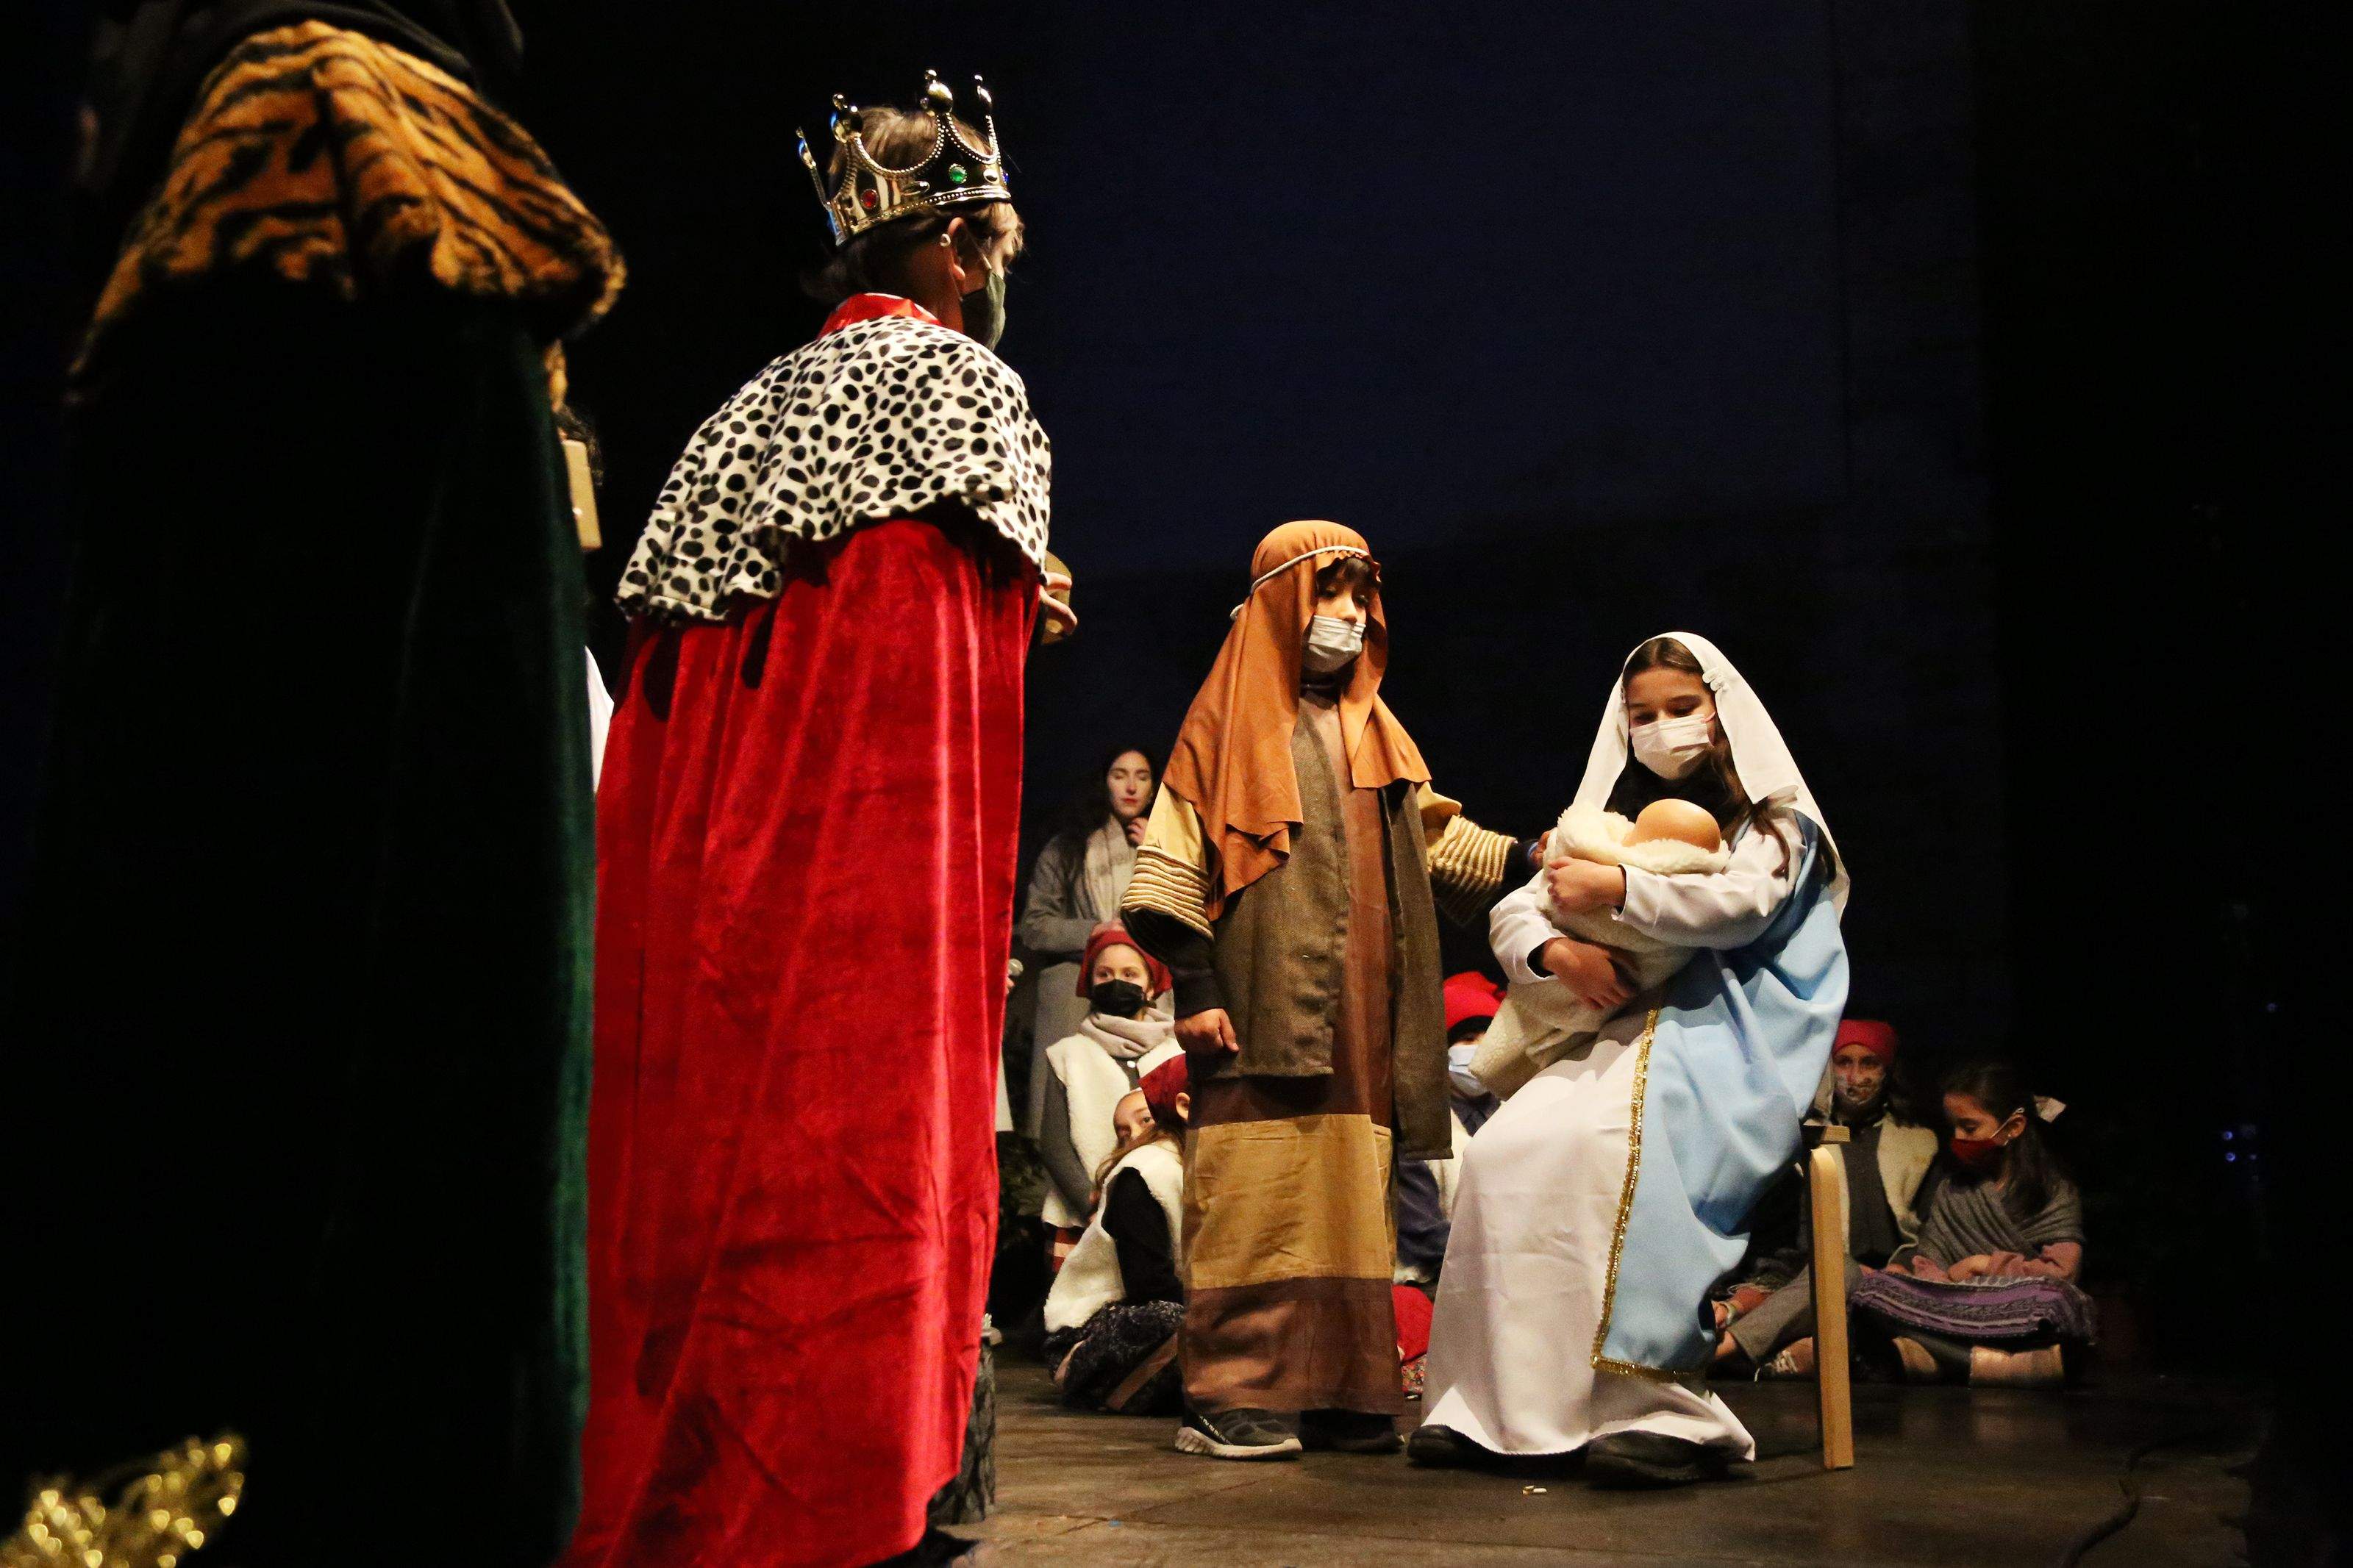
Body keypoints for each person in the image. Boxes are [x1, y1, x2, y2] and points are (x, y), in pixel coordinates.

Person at [8, 7, 621, 1561]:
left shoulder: (303, 156)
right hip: (371, 1239)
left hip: (269, 1246)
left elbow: (237, 816)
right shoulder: (362, 178)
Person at [570, 76, 1058, 1568]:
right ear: (965, 252)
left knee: (710, 1151)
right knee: (850, 1152)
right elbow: (907, 705)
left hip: (705, 893)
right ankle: (848, 1471)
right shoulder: (960, 390)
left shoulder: (739, 413)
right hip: (862, 901)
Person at [1121, 520, 1538, 1462]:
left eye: (1360, 598)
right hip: (1258, 1005)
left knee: (1353, 1204)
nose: (1349, 617)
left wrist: (1527, 855)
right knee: (1257, 1198)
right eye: (1331, 595)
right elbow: (1167, 870)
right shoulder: (1223, 728)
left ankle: (1344, 1390)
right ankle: (1232, 1391)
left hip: (1363, 1017)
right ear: (1280, 603)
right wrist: (1195, 985)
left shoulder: (1373, 729)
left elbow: (1436, 842)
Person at [1413, 633, 1849, 1489]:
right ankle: (1492, 1406)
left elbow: (1738, 908)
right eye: (1640, 715)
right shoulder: (1605, 826)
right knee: (1503, 1154)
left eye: (1681, 709)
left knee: (1608, 1151)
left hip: (1731, 1035)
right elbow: (1517, 909)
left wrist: (1617, 892)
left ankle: (1655, 1409)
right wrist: (1555, 957)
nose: (1660, 729)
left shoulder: (1777, 822)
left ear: (1724, 712)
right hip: (1614, 1029)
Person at [1713, 1017, 1940, 1375]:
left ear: (1887, 1070)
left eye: (1869, 1064)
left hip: (1893, 1279)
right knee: (1832, 1277)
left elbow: (1931, 1229)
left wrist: (1906, 1265)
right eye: (1844, 1063)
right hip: (1822, 1272)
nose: (1856, 1075)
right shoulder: (1809, 1142)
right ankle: (1741, 1350)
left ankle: (1749, 1355)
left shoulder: (1920, 1142)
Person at [1849, 1061, 2092, 1386]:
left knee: (2055, 1301)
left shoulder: (2053, 1190)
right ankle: (1996, 1365)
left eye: (1970, 1127)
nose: (1959, 1137)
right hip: (1952, 1306)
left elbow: (2063, 1273)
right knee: (1876, 1291)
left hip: (2015, 1308)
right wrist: (1918, 1278)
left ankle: (1936, 1357)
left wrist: (1984, 1265)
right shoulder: (1953, 1189)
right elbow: (1931, 1261)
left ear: (2014, 1127)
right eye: (1954, 1128)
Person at [1040, 1048, 1193, 1414]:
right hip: (1092, 1328)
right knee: (1183, 1318)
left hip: (1162, 1309)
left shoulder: (1193, 1164)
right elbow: (1148, 1286)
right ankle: (1090, 1377)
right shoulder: (1144, 1173)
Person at [1018, 747, 1160, 1131]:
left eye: (1142, 776)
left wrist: (1162, 849)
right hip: (1077, 986)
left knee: (1150, 1095)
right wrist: (1095, 931)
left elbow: (1190, 913)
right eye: (1120, 775)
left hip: (1146, 987)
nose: (1131, 786)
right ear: (1103, 782)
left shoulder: (1166, 842)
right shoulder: (1068, 848)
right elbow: (1034, 926)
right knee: (1065, 1100)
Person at [1036, 923, 1176, 1267]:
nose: (1117, 982)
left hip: (1165, 1212)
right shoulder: (1067, 1054)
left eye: (1130, 973)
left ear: (1151, 986)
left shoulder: (1177, 1054)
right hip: (1082, 1217)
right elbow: (1053, 1144)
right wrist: (1091, 1203)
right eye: (1104, 974)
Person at [1396, 973, 1507, 1290]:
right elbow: (1421, 1229)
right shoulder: (1418, 1123)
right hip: (1439, 1281)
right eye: (1468, 1039)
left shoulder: (1518, 1110)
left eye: (1489, 1039)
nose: (1479, 1050)